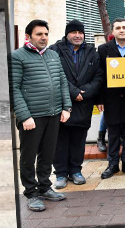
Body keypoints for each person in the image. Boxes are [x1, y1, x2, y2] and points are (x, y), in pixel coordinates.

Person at [11, 19, 70, 212]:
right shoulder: (17, 56)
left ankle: (45, 186)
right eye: (39, 34)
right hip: (32, 117)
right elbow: (14, 89)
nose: (43, 37)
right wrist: (24, 115)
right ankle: (31, 193)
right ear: (28, 36)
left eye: (45, 34)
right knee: (28, 156)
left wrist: (66, 107)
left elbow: (62, 81)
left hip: (53, 114)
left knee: (48, 154)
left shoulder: (53, 55)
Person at [48, 19, 101, 189]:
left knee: (79, 140)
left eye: (80, 33)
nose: (77, 36)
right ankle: (61, 174)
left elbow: (99, 76)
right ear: (67, 34)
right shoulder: (55, 50)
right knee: (60, 140)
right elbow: (54, 74)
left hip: (84, 103)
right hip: (62, 102)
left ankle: (76, 171)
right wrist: (73, 92)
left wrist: (85, 92)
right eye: (73, 32)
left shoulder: (92, 51)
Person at [97, 18, 125, 179]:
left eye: (124, 27)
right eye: (118, 28)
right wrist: (100, 99)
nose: (121, 30)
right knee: (113, 133)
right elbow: (99, 76)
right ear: (112, 32)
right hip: (111, 98)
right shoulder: (103, 49)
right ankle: (112, 164)